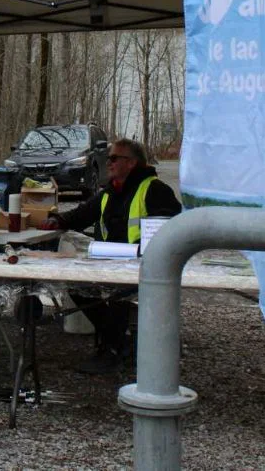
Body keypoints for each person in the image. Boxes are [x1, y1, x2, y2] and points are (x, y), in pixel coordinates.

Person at [41, 138, 181, 374]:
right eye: (109, 158)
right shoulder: (110, 192)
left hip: (144, 267)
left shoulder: (155, 190)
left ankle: (112, 351)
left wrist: (138, 250)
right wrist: (58, 220)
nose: (109, 163)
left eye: (115, 158)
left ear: (132, 163)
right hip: (109, 264)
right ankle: (119, 344)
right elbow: (81, 214)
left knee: (117, 296)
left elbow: (168, 229)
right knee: (77, 286)